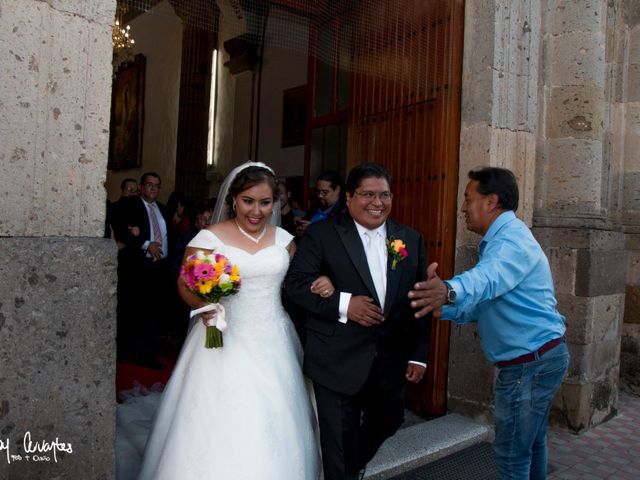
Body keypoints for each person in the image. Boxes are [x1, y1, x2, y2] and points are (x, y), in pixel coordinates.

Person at [135, 162, 321, 480]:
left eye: (265, 202)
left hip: (274, 338)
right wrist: (204, 307)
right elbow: (184, 284)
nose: (257, 210)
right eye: (249, 200)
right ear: (234, 198)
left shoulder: (285, 240)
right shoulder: (209, 237)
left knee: (275, 416)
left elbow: (297, 281)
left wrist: (323, 284)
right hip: (222, 335)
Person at [408, 167, 569, 480]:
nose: (463, 208)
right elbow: (490, 302)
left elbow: (487, 279)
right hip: (538, 359)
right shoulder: (505, 239)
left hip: (529, 366)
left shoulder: (511, 241)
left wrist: (448, 290)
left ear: (491, 201)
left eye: (468, 199)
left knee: (512, 457)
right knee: (531, 447)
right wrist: (448, 308)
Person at [285, 163, 431, 480]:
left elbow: (418, 301)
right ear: (349, 197)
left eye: (384, 195)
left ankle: (350, 469)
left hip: (388, 360)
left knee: (389, 419)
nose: (377, 203)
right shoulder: (323, 234)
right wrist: (344, 304)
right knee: (337, 442)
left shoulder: (409, 239)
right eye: (367, 194)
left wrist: (418, 354)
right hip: (335, 358)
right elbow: (295, 284)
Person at [114, 172, 172, 370]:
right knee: (131, 309)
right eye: (149, 184)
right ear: (141, 186)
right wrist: (146, 243)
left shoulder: (163, 210)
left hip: (160, 268)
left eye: (156, 185)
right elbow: (122, 231)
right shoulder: (130, 205)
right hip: (138, 267)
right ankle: (122, 350)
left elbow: (168, 236)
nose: (153, 188)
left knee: (154, 312)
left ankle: (146, 354)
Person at [297, 170, 347, 236]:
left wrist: (312, 230)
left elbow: (338, 237)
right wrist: (300, 228)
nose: (319, 195)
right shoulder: (316, 207)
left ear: (337, 190)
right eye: (318, 191)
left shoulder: (345, 212)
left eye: (325, 192)